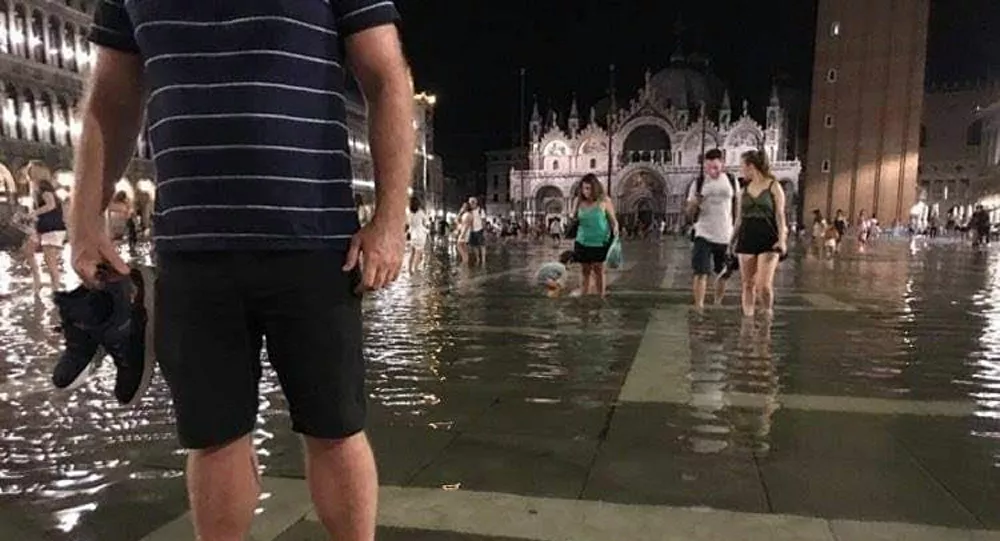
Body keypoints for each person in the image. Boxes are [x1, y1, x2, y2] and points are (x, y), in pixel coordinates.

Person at [78, 3, 412, 541]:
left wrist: (391, 219)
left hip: (314, 240)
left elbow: (387, 76)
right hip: (192, 245)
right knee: (212, 438)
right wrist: (84, 220)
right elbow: (111, 99)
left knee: (335, 428)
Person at [733, 150, 787, 318]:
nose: (741, 170)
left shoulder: (773, 186)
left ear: (751, 166)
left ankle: (766, 313)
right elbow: (739, 219)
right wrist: (731, 241)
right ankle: (748, 321)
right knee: (747, 284)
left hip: (768, 239)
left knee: (763, 285)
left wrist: (782, 240)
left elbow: (780, 215)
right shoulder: (743, 191)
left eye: (742, 166)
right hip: (747, 237)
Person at [685, 148, 739, 309]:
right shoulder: (698, 183)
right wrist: (695, 203)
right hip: (703, 233)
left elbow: (737, 206)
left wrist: (737, 231)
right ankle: (699, 306)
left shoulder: (731, 180)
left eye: (715, 167)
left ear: (723, 164)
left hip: (725, 233)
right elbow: (688, 214)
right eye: (708, 167)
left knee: (723, 273)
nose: (712, 171)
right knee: (700, 272)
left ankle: (717, 303)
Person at [22, 162, 67, 294]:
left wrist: (33, 213)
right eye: (29, 171)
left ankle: (56, 292)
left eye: (32, 171)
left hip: (52, 227)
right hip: (43, 227)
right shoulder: (37, 187)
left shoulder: (43, 186)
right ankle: (38, 280)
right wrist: (31, 217)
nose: (30, 173)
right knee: (27, 250)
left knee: (50, 261)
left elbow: (51, 205)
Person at [572, 173, 619, 297]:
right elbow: (574, 217)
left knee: (599, 270)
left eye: (589, 188)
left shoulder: (604, 201)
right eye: (584, 188)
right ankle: (584, 295)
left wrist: (615, 233)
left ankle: (600, 296)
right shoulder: (578, 201)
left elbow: (613, 221)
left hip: (600, 242)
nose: (586, 192)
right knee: (585, 271)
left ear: (595, 188)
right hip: (582, 241)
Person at [407, 196, 428, 273]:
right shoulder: (420, 212)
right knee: (419, 254)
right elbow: (426, 221)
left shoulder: (409, 214)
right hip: (420, 234)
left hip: (413, 235)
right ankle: (415, 270)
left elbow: (408, 224)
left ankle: (409, 270)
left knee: (412, 254)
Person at [466, 197, 487, 264]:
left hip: (480, 229)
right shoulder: (470, 212)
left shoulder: (480, 210)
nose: (471, 204)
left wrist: (484, 230)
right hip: (472, 230)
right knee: (474, 246)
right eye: (470, 203)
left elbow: (483, 220)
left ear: (476, 203)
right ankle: (478, 258)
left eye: (473, 202)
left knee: (482, 245)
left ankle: (483, 260)